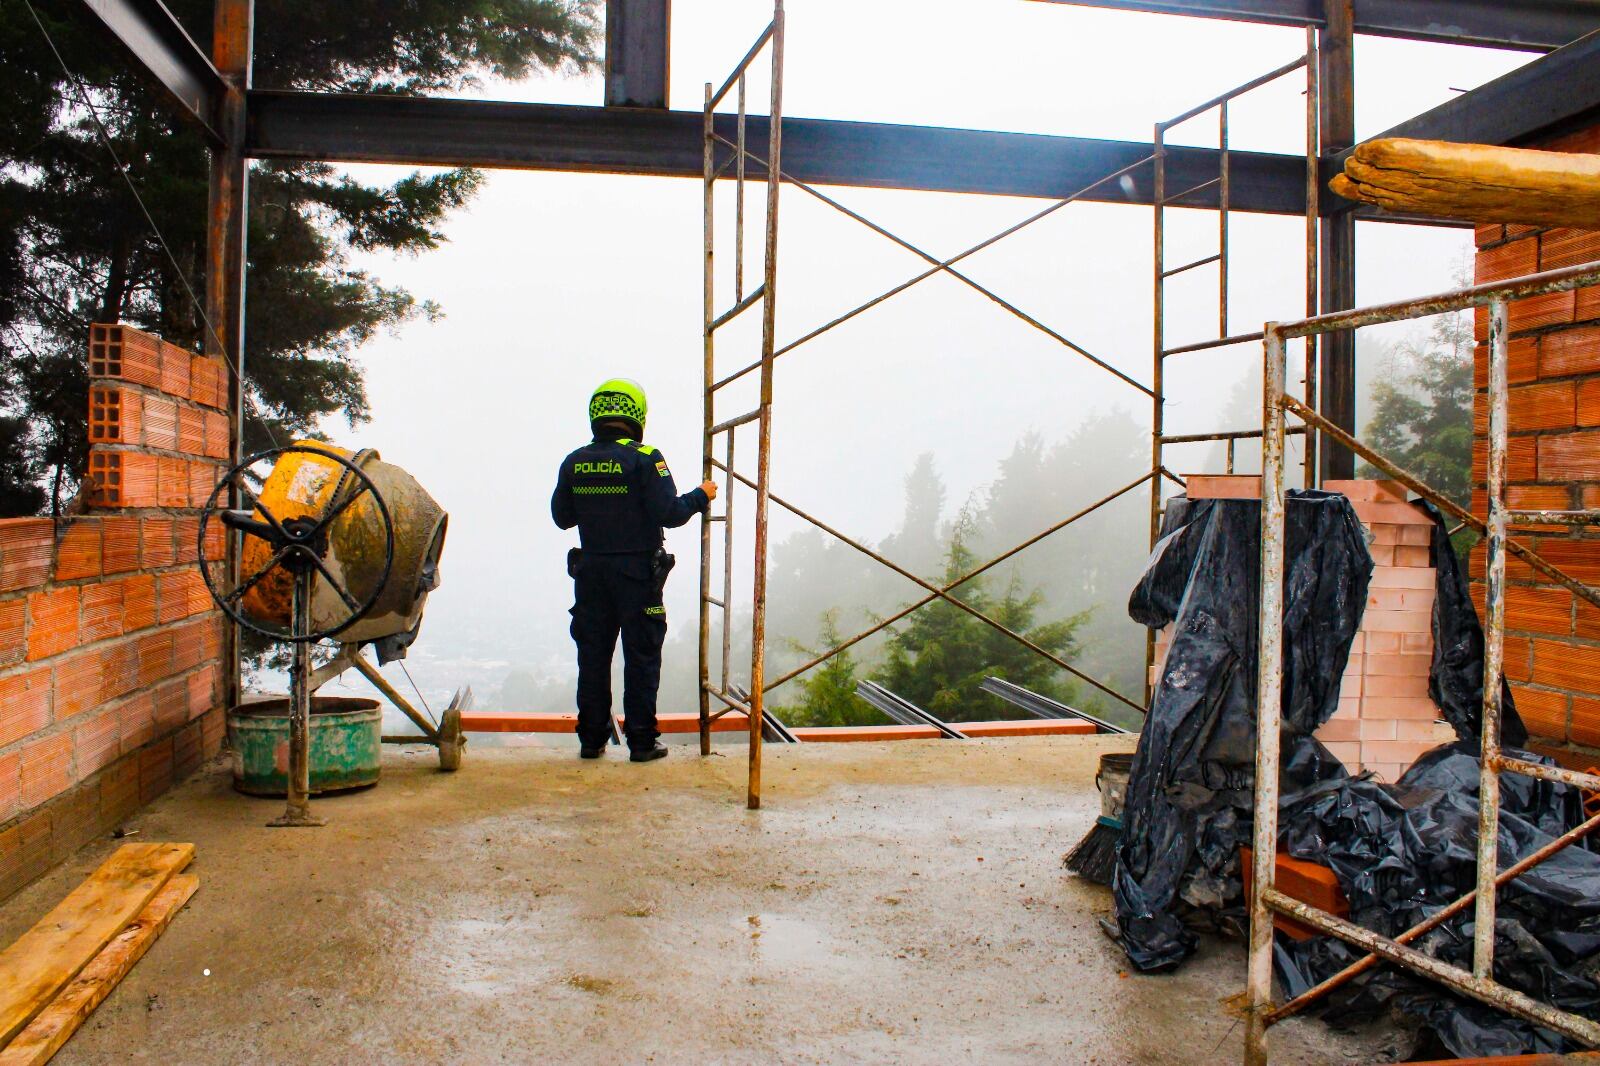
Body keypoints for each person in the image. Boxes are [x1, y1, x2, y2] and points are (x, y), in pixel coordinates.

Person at [551, 378, 718, 762]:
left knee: (592, 658)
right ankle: (641, 742)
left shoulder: (575, 460)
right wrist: (701, 496)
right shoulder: (646, 458)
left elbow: (562, 518)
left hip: (591, 576)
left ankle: (591, 740)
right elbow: (670, 513)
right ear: (636, 415)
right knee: (641, 658)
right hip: (638, 578)